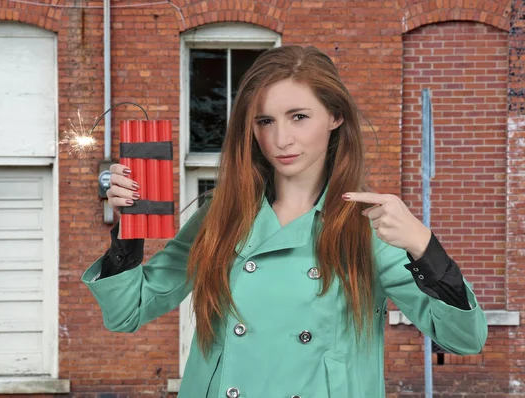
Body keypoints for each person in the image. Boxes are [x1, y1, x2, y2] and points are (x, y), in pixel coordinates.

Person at [82, 45, 487, 398]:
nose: (281, 139)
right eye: (265, 121)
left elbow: (463, 339)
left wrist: (423, 246)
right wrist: (127, 231)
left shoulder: (368, 226)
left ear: (335, 117)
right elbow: (127, 313)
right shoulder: (221, 214)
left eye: (298, 117)